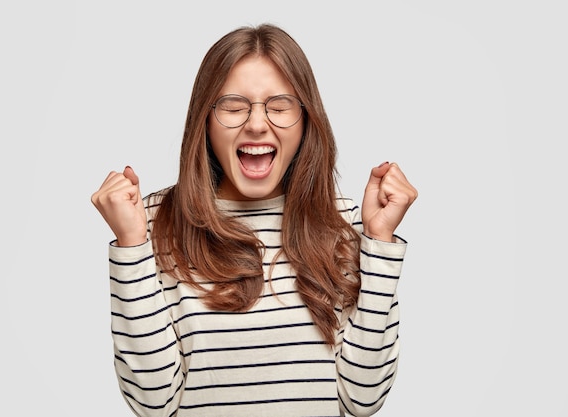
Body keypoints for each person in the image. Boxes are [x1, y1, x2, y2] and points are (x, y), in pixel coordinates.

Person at [91, 23, 417, 417]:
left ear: (306, 120)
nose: (258, 124)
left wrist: (380, 241)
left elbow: (363, 399)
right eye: (233, 106)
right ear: (205, 120)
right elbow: (153, 402)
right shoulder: (152, 223)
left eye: (280, 106)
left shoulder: (344, 225)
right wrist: (130, 246)